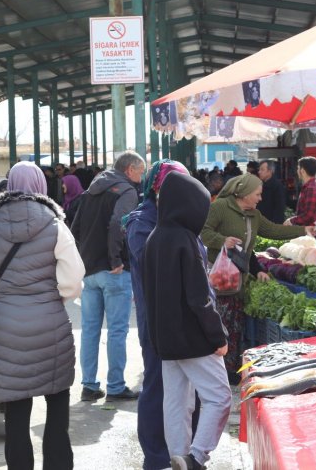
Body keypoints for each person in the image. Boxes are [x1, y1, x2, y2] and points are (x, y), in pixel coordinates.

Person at [0, 161, 85, 470]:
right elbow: (73, 278)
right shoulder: (54, 223)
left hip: (5, 330)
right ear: (41, 186)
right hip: (50, 328)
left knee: (16, 419)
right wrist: (55, 295)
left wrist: (0, 297)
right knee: (57, 412)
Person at [144, 171, 232, 470]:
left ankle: (179, 457)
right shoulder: (186, 240)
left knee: (177, 401)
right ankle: (196, 458)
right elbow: (199, 297)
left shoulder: (154, 238)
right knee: (219, 396)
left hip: (165, 338)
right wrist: (218, 336)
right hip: (193, 337)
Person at [200, 173, 316, 384]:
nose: (260, 198)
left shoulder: (253, 215)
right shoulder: (220, 207)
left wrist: (303, 231)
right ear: (244, 193)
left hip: (240, 277)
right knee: (221, 324)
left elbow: (273, 230)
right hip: (220, 277)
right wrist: (222, 241)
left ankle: (232, 368)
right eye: (257, 194)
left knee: (236, 325)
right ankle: (219, 371)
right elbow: (203, 231)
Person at [125, 160, 194, 470]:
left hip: (184, 315)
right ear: (157, 190)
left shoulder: (179, 219)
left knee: (186, 388)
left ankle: (183, 452)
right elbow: (158, 269)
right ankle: (155, 457)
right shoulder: (141, 223)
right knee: (157, 384)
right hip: (156, 318)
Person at [70, 150, 146, 402]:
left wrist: (86, 259)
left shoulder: (90, 191)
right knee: (116, 330)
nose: (141, 177)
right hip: (114, 271)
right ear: (129, 170)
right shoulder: (127, 191)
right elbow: (118, 224)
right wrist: (115, 259)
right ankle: (115, 386)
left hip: (90, 271)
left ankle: (89, 386)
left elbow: (76, 229)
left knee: (90, 330)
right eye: (140, 171)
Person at [284, 156, 316, 226]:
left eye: (298, 168)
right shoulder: (315, 184)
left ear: (302, 171)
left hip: (311, 233)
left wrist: (291, 221)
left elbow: (309, 216)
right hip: (314, 231)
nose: (297, 171)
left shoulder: (311, 188)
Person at [256, 160, 286, 224]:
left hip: (271, 224)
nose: (259, 172)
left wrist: (275, 225)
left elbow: (280, 207)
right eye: (259, 170)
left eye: (262, 170)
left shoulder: (277, 186)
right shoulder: (261, 184)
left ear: (270, 171)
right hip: (262, 222)